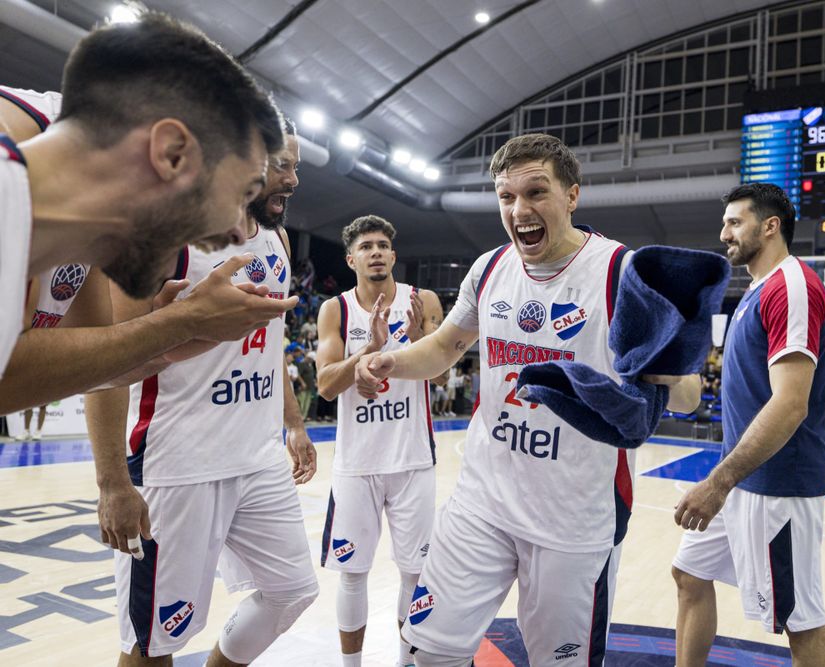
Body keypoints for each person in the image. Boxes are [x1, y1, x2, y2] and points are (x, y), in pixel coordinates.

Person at [354, 133, 701, 664]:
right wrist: (390, 361)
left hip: (575, 521)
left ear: (572, 196)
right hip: (482, 502)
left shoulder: (620, 274)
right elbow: (446, 346)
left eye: (536, 192)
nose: (520, 210)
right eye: (506, 197)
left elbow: (689, 397)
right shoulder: (490, 267)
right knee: (425, 652)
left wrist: (659, 372)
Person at [90, 125, 319, 666]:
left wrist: (294, 423)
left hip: (257, 456)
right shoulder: (165, 236)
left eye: (295, 166)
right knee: (153, 642)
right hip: (178, 464)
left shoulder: (276, 238)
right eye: (281, 166)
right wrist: (112, 483)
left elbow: (271, 344)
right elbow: (109, 362)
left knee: (293, 590)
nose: (293, 179)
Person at [0, 14, 296, 411]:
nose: (241, 233)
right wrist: (176, 323)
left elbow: (76, 371)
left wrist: (172, 339)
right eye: (240, 194)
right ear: (171, 152)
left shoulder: (77, 219)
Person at [672, 182, 825, 666]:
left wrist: (718, 482)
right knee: (689, 573)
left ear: (770, 227)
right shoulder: (755, 291)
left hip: (778, 485)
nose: (723, 232)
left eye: (734, 222)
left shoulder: (793, 287)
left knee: (799, 618)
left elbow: (790, 405)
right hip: (742, 477)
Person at [314, 214, 446, 667]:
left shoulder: (423, 300)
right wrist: (368, 351)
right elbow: (326, 386)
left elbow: (443, 370)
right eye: (366, 246)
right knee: (352, 575)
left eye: (383, 246)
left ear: (393, 255)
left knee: (415, 573)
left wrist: (412, 340)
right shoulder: (335, 309)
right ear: (351, 259)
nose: (376, 252)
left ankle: (406, 662)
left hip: (412, 461)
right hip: (357, 463)